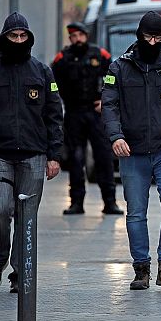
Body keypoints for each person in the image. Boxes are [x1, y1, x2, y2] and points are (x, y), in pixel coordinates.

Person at [0, 12, 63, 292]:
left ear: (29, 39)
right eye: (13, 36)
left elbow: (55, 116)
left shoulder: (43, 72)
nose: (18, 40)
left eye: (23, 36)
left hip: (34, 155)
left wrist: (54, 155)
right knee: (0, 209)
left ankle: (20, 273)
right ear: (4, 38)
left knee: (26, 217)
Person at [102, 11, 161, 290]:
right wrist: (115, 137)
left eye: (158, 37)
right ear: (139, 35)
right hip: (131, 151)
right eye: (148, 37)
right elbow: (109, 106)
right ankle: (141, 269)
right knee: (135, 212)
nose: (153, 42)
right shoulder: (119, 69)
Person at [52, 22, 123, 215]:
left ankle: (110, 202)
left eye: (80, 35)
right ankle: (76, 202)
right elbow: (52, 83)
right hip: (74, 113)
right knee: (75, 159)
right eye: (73, 36)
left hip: (96, 113)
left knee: (104, 156)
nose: (77, 39)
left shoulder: (101, 55)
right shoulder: (63, 59)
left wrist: (105, 100)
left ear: (86, 36)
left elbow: (113, 80)